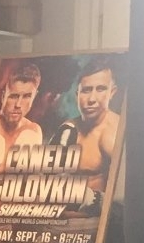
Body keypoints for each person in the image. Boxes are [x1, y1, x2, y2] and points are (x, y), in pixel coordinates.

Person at [0, 62, 43, 220]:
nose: (18, 105)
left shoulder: (34, 131)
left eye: (27, 96)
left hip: (19, 223)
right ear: (3, 94)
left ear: (35, 95)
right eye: (14, 96)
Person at [51, 55, 121, 203]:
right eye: (86, 90)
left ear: (112, 92)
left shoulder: (113, 134)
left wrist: (92, 200)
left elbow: (127, 196)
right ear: (77, 94)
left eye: (100, 89)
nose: (91, 99)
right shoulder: (68, 128)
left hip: (93, 217)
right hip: (59, 215)